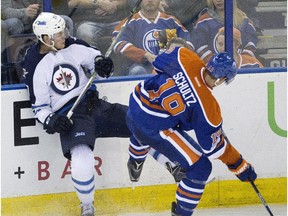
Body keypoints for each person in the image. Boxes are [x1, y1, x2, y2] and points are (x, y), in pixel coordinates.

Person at [22, 12, 185, 215]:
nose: (64, 35)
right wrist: (51, 119)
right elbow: (39, 106)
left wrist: (102, 64)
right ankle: (87, 206)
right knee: (82, 157)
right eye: (58, 33)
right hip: (73, 117)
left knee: (141, 122)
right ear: (45, 39)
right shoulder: (33, 63)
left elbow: (96, 62)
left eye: (63, 31)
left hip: (96, 105)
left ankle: (171, 165)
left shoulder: (73, 44)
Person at [125, 40, 257, 215]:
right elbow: (213, 149)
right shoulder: (209, 109)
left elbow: (158, 65)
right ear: (222, 79)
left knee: (153, 124)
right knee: (201, 168)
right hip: (153, 128)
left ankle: (135, 159)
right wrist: (240, 166)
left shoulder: (184, 56)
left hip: (135, 106)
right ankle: (181, 213)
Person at [113, 0, 192, 76]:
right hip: (141, 66)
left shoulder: (170, 20)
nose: (150, 0)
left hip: (167, 65)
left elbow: (188, 43)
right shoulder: (130, 21)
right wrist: (145, 55)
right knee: (137, 71)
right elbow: (117, 43)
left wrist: (176, 51)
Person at [191, 0, 259, 64]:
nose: (218, 0)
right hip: (214, 71)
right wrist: (216, 63)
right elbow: (200, 46)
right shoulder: (204, 21)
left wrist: (240, 62)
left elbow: (250, 45)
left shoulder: (243, 20)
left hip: (240, 71)